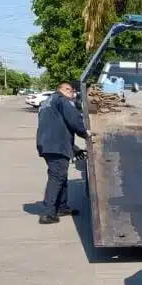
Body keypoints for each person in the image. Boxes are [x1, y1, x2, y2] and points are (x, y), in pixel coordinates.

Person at [36, 81, 89, 224]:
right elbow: (73, 120)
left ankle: (62, 206)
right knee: (56, 177)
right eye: (71, 92)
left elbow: (56, 126)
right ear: (65, 89)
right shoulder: (62, 100)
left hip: (47, 144)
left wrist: (74, 149)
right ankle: (48, 213)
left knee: (60, 175)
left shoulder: (48, 102)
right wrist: (86, 133)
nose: (73, 95)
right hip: (56, 146)